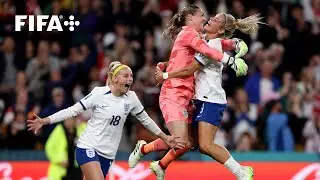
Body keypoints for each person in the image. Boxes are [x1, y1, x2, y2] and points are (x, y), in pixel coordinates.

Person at [130, 12, 264, 180]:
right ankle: (157, 162)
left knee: (206, 145)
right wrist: (236, 43)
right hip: (199, 99)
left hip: (211, 100)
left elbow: (190, 69)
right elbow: (188, 58)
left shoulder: (212, 46)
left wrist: (166, 75)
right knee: (186, 141)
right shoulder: (205, 41)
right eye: (212, 17)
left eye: (215, 20)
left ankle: (241, 172)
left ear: (221, 29)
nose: (210, 19)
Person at [27, 61, 185, 180]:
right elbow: (73, 110)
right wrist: (45, 121)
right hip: (88, 147)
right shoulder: (98, 94)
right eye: (126, 75)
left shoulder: (131, 98)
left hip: (107, 155)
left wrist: (165, 137)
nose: (130, 79)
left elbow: (146, 120)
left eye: (131, 76)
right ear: (115, 79)